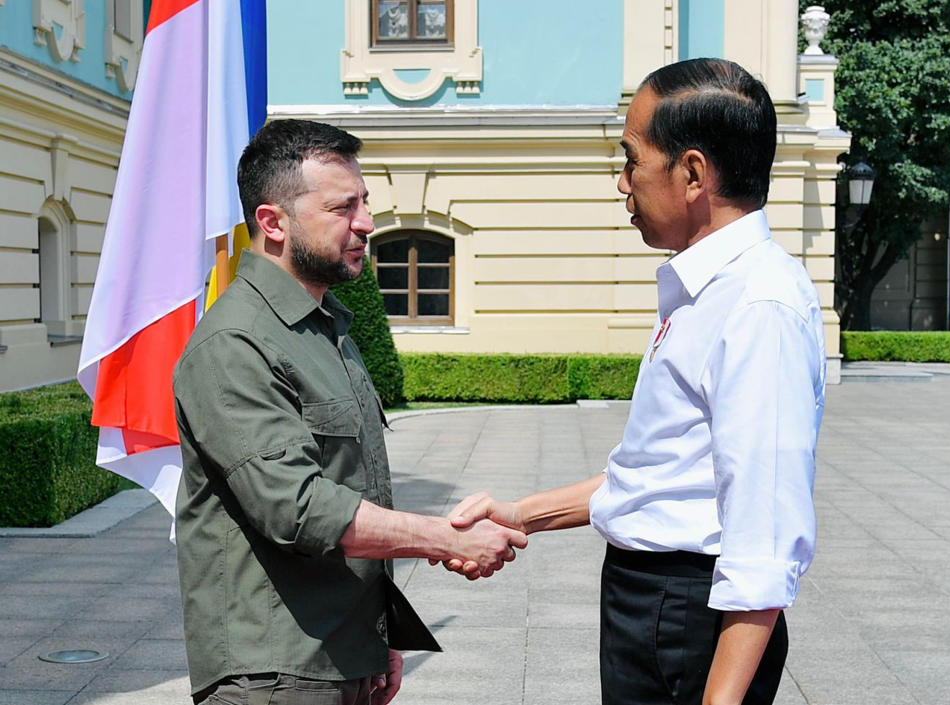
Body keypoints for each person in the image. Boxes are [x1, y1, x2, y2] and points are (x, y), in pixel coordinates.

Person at [442, 58, 826, 705]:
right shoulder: (700, 291)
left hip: (690, 615)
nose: (621, 183)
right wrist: (521, 514)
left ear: (694, 173)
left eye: (631, 160)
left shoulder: (758, 305)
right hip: (652, 604)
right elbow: (658, 475)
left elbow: (763, 537)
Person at [173, 119, 527, 705]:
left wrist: (381, 632)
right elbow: (301, 508)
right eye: (343, 207)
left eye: (364, 203)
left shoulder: (326, 327)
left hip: (341, 655)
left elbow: (358, 487)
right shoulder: (235, 343)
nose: (365, 222)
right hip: (276, 673)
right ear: (272, 222)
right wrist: (445, 539)